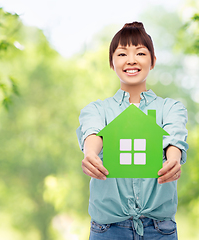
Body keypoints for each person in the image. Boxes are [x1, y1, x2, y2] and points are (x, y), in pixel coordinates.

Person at [76, 21, 188, 240]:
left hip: (160, 230)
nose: (131, 60)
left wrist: (173, 160)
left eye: (140, 53)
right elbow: (94, 133)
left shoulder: (171, 108)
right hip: (108, 230)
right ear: (111, 62)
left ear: (153, 61)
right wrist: (90, 154)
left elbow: (173, 138)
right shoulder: (97, 109)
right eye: (122, 54)